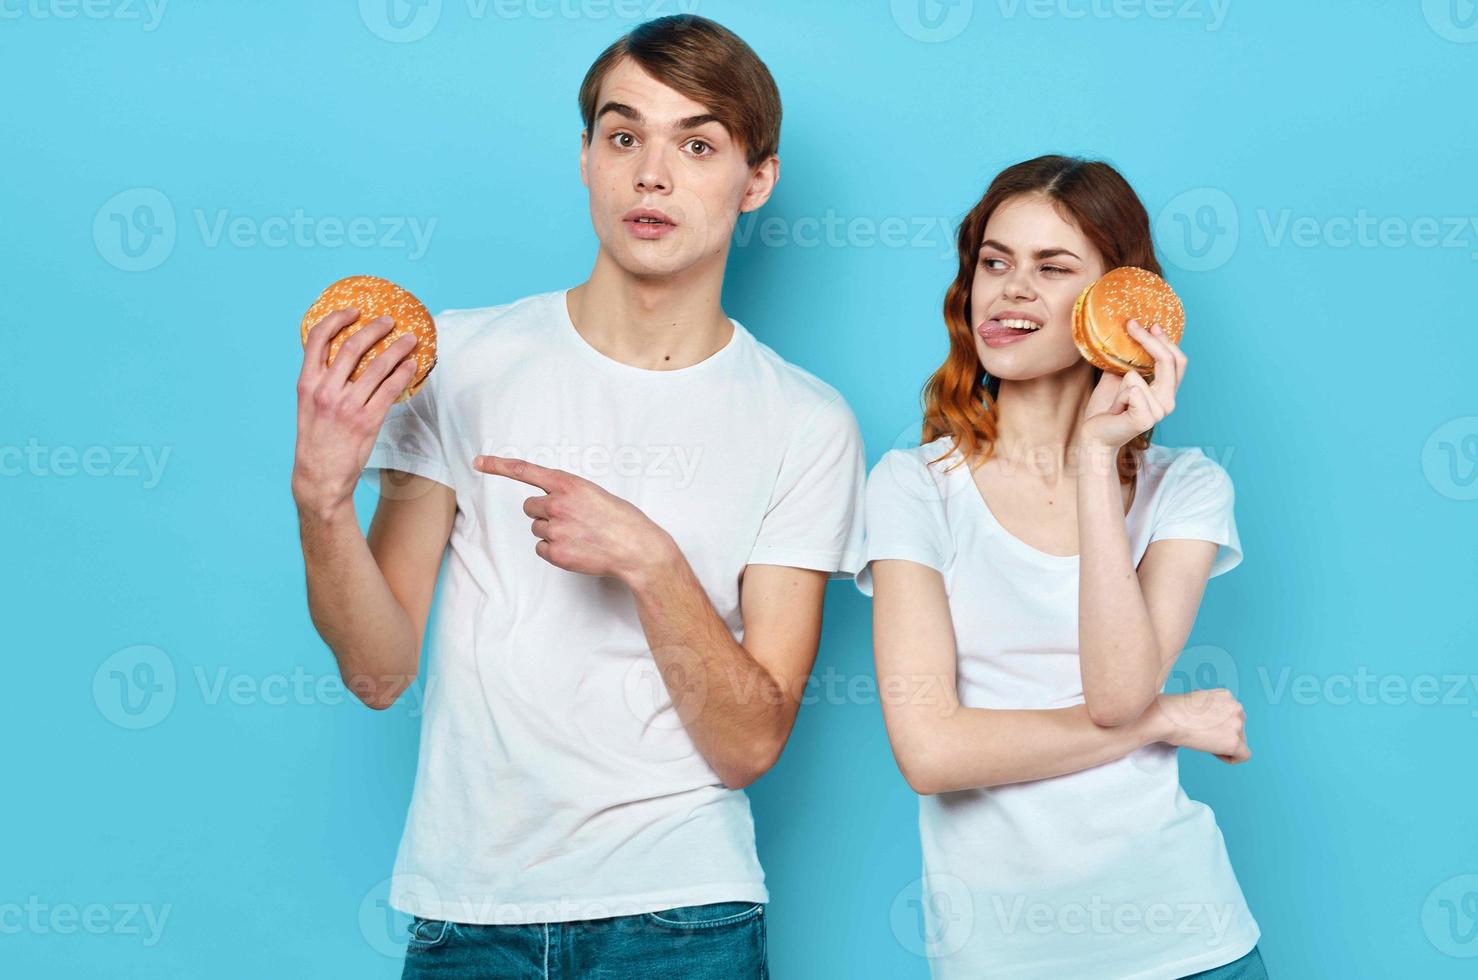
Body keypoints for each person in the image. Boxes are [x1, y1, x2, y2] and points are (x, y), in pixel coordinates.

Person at [290, 16, 865, 978]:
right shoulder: (460, 362)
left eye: (697, 143)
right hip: (468, 915)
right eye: (623, 135)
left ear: (755, 180)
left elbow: (750, 744)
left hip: (686, 915)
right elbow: (378, 672)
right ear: (588, 158)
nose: (652, 174)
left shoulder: (807, 421)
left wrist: (650, 561)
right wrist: (320, 498)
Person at [857, 155, 1267, 979]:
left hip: (1190, 943)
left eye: (1052, 268)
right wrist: (1165, 721)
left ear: (1113, 303)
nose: (1010, 289)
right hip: (1003, 957)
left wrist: (1092, 463)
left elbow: (1117, 690)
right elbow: (930, 752)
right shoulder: (913, 486)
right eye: (995, 261)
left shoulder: (1187, 488)